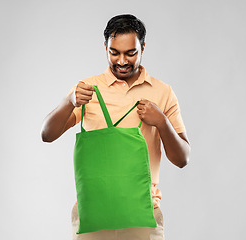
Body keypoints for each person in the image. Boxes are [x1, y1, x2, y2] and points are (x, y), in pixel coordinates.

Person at [41, 14, 190, 240]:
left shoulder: (162, 92)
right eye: (114, 53)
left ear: (143, 47)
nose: (122, 61)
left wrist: (161, 122)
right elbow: (47, 134)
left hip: (143, 216)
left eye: (131, 53)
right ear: (105, 47)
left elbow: (182, 159)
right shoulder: (87, 89)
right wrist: (68, 101)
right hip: (91, 216)